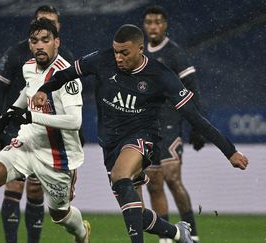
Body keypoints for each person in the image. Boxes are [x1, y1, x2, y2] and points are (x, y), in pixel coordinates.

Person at [32, 24, 249, 243]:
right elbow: (66, 74)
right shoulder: (102, 60)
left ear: (140, 49)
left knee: (120, 176)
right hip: (110, 143)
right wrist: (44, 89)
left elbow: (195, 117)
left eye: (124, 52)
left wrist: (229, 151)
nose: (118, 57)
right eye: (116, 51)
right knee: (136, 214)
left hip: (142, 137)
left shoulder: (161, 75)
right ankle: (178, 233)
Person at [0, 18, 90, 243]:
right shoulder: (28, 67)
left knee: (60, 215)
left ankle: (82, 232)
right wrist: (11, 111)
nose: (39, 46)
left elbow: (75, 121)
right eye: (35, 41)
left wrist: (31, 116)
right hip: (29, 142)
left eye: (45, 40)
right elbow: (28, 91)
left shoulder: (67, 76)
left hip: (58, 157)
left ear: (57, 42)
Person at [0, 5, 75, 243]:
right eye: (42, 21)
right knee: (14, 186)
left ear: (58, 29)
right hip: (17, 127)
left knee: (36, 190)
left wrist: (76, 132)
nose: (46, 25)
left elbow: (72, 103)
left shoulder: (66, 58)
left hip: (46, 132)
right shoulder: (16, 54)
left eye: (52, 23)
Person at [142, 6, 205, 243]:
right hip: (148, 127)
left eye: (158, 22)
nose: (153, 26)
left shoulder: (174, 53)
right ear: (144, 25)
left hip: (170, 124)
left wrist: (197, 125)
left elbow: (193, 89)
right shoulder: (141, 53)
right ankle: (166, 237)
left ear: (165, 25)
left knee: (172, 178)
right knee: (154, 184)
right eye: (149, 22)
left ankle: (193, 233)